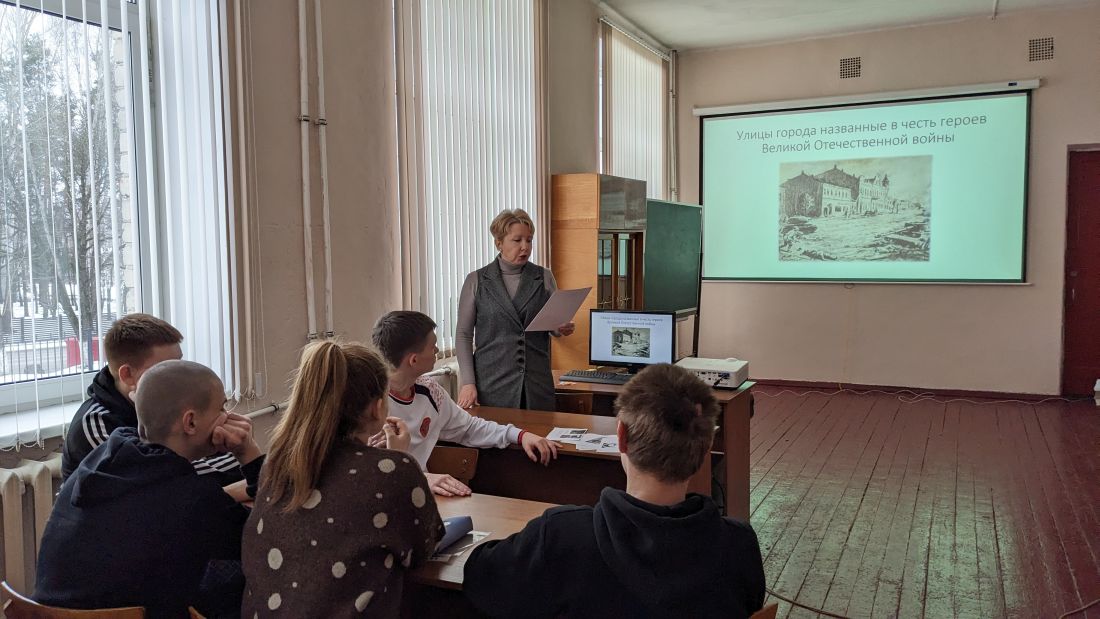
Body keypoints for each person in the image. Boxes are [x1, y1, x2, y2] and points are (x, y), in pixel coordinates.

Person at [462, 364, 766, 619]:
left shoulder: (559, 536)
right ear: (707, 445)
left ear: (621, 437)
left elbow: (481, 579)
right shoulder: (740, 546)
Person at [35, 360, 264, 619]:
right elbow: (268, 536)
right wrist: (249, 453)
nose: (228, 415)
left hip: (45, 612)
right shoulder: (190, 497)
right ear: (190, 422)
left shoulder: (103, 457)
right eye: (222, 407)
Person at [242, 341, 443, 618]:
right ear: (378, 408)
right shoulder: (393, 472)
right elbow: (422, 548)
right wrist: (397, 459)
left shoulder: (277, 463)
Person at [371, 311, 559, 497]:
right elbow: (366, 471)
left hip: (420, 494)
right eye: (432, 346)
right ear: (414, 360)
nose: (437, 351)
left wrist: (519, 435)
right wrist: (422, 478)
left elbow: (469, 427)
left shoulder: (430, 390)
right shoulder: (369, 403)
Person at [61, 313, 244, 491]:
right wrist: (244, 464)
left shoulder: (172, 402)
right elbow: (167, 482)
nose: (181, 374)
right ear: (127, 375)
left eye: (179, 362)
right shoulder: (96, 424)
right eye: (165, 368)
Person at [455, 209, 574, 411]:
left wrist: (561, 327)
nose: (525, 247)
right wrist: (468, 383)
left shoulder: (544, 277)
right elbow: (463, 335)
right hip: (491, 384)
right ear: (499, 243)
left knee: (541, 431)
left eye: (529, 240)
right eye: (517, 240)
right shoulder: (476, 280)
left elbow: (553, 326)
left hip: (536, 383)